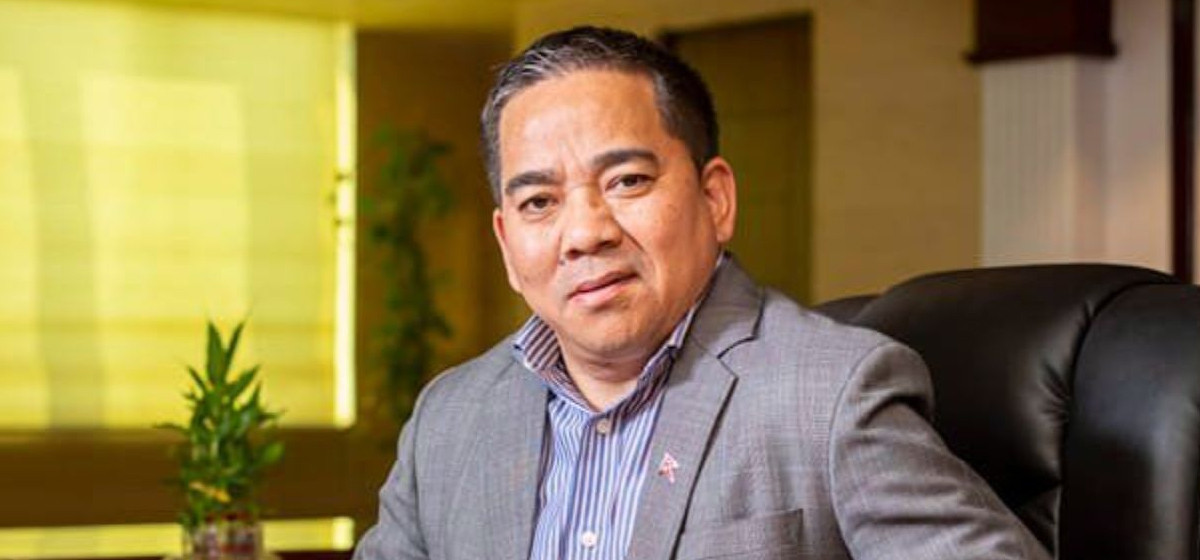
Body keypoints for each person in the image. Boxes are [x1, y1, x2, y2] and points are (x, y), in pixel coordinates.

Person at [354, 26, 1048, 560]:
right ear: (508, 244)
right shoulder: (451, 419)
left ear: (715, 199)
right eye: (539, 201)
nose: (585, 233)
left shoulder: (834, 396)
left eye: (627, 181)